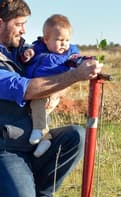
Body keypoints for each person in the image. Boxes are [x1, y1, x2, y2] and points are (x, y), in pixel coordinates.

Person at [0, 0, 103, 197]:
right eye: (19, 24)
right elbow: (26, 89)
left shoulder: (24, 51)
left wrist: (72, 75)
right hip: (0, 150)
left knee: (77, 135)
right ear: (0, 23)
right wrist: (75, 76)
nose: (24, 30)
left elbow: (54, 72)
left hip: (33, 141)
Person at [24, 14, 94, 158]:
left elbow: (76, 60)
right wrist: (28, 53)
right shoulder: (39, 47)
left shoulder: (68, 55)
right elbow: (31, 51)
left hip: (50, 88)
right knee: (36, 113)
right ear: (46, 39)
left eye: (67, 40)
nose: (64, 44)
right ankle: (45, 139)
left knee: (37, 105)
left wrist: (85, 61)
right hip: (35, 86)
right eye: (59, 40)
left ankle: (40, 131)